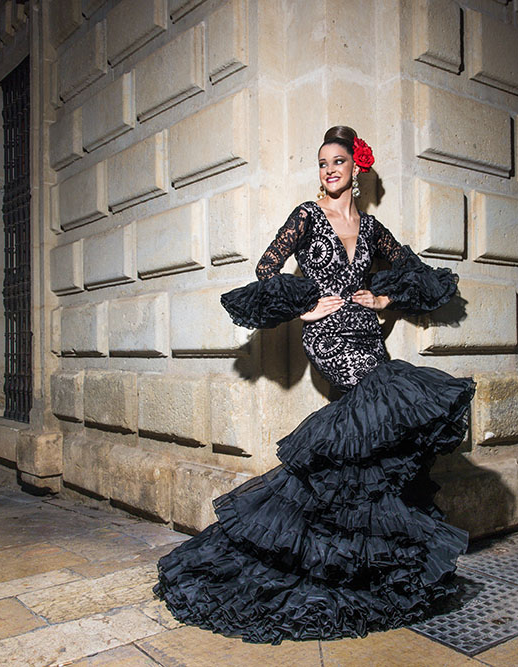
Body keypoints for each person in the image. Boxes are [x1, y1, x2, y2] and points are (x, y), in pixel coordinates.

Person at [154, 126, 475, 644]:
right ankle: (299, 553)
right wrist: (306, 307)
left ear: (356, 169)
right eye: (323, 163)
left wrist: (383, 300)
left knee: (369, 447)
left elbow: (411, 269)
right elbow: (266, 267)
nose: (329, 170)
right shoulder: (307, 215)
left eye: (338, 162)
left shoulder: (371, 228)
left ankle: (361, 564)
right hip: (328, 338)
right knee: (381, 408)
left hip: (367, 333)